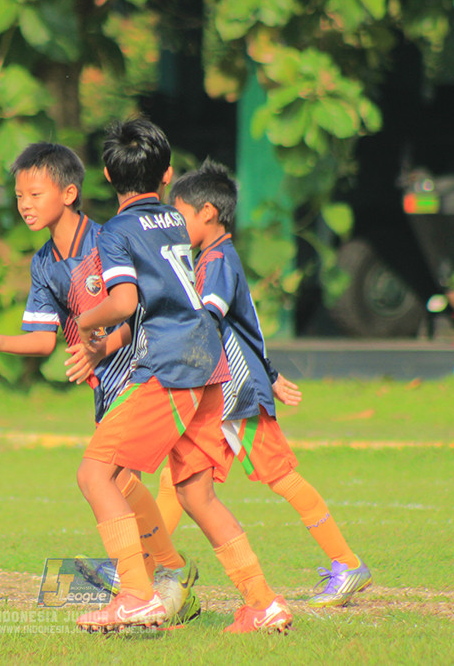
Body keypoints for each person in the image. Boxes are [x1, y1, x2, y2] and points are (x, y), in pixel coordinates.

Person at [0, 142, 199, 626]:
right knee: (119, 480)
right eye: (19, 195)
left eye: (35, 194)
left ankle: (145, 584)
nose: (24, 204)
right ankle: (167, 573)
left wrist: (101, 348)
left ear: (68, 193)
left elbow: (139, 311)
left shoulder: (107, 240)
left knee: (102, 477)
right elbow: (44, 340)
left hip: (144, 371)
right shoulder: (45, 263)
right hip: (108, 384)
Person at [73, 118, 292, 634]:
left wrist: (84, 321)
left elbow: (124, 301)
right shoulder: (174, 220)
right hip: (209, 363)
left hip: (171, 367)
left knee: (95, 474)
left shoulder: (116, 231)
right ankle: (262, 603)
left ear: (107, 174)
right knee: (196, 494)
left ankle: (135, 594)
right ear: (168, 175)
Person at [169, 159, 372, 607]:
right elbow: (248, 326)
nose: (174, 224)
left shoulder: (217, 261)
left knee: (279, 475)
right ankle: (152, 567)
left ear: (208, 213)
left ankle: (347, 562)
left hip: (236, 394)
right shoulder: (213, 258)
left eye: (179, 214)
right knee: (183, 475)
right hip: (221, 390)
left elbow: (209, 322)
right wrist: (273, 374)